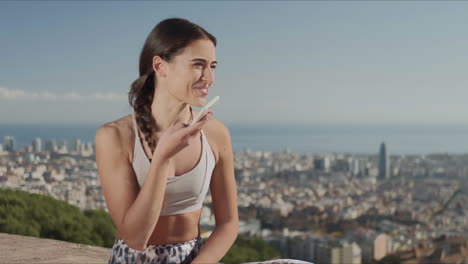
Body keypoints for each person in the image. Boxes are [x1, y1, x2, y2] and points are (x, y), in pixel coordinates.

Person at [95, 18, 239, 264]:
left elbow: (228, 223)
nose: (209, 77)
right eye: (198, 65)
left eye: (213, 66)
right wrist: (161, 158)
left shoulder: (216, 134)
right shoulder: (115, 136)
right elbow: (135, 238)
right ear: (160, 66)